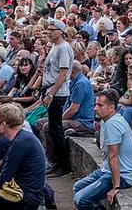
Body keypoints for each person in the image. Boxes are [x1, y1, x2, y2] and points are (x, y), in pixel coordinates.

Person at [73, 89, 132, 210]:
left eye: (100, 105)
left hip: (123, 175)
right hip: (106, 170)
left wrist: (116, 187)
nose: (95, 108)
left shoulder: (112, 124)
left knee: (81, 200)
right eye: (95, 105)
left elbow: (113, 156)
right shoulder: (106, 120)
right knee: (78, 186)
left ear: (111, 107)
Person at [43, 19, 74, 178]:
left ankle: (63, 165)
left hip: (57, 92)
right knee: (53, 128)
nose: (49, 32)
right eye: (48, 29)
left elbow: (62, 74)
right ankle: (55, 163)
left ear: (61, 31)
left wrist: (51, 93)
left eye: (52, 29)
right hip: (50, 89)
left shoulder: (63, 48)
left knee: (56, 129)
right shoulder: (54, 46)